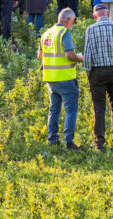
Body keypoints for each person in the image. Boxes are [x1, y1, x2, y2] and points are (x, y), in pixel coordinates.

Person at [83, 4, 113, 152]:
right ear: (107, 14)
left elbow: (87, 56)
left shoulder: (90, 30)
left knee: (99, 108)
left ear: (95, 16)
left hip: (97, 72)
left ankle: (99, 142)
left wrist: (89, 72)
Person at [39, 8, 84, 148]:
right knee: (71, 109)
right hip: (65, 78)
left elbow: (40, 55)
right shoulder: (64, 33)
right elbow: (69, 55)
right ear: (68, 20)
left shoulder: (46, 33)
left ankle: (52, 140)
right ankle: (68, 141)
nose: (73, 24)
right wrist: (80, 58)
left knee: (54, 109)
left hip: (50, 78)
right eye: (73, 21)